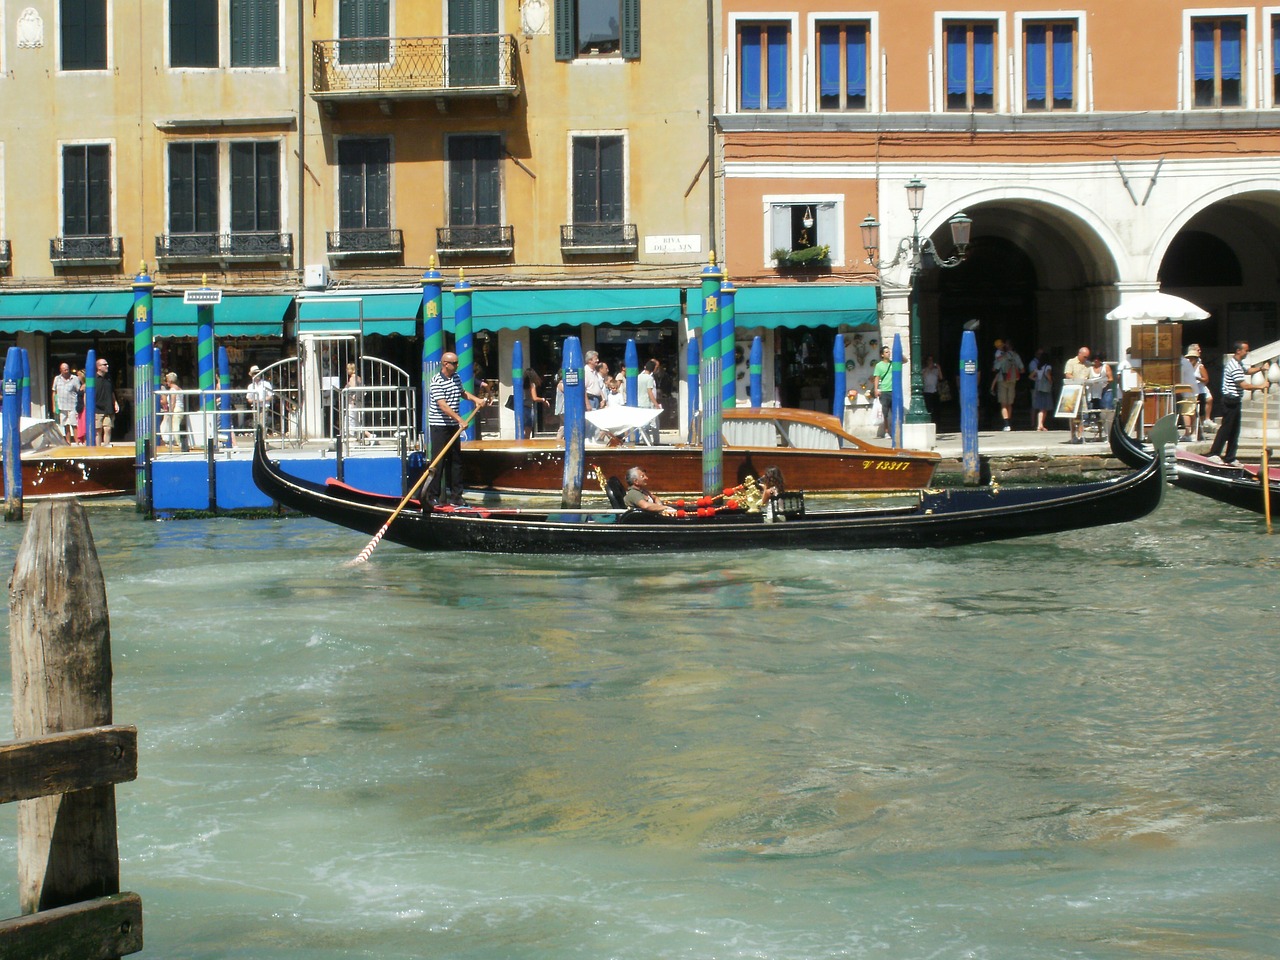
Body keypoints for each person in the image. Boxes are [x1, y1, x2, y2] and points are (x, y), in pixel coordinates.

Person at [426, 351, 489, 506]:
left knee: (456, 461)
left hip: (453, 425)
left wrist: (476, 399)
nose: (457, 365)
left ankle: (456, 496)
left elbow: (462, 392)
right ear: (445, 364)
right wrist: (460, 419)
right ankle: (433, 496)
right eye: (454, 363)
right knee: (438, 461)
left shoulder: (456, 377)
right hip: (439, 425)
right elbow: (443, 406)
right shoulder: (436, 381)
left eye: (457, 362)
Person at [1206, 341, 1270, 466]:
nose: (1247, 352)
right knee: (1226, 429)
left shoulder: (1238, 364)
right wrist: (1260, 386)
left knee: (1235, 430)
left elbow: (1247, 371)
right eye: (1246, 350)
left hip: (1235, 401)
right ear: (1238, 351)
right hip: (1230, 401)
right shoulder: (1234, 365)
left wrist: (1261, 368)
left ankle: (1230, 457)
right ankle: (1214, 454)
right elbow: (1244, 385)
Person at [992, 339, 1024, 431]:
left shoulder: (1002, 356)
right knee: (1010, 403)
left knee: (1003, 404)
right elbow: (1022, 370)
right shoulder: (1016, 355)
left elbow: (995, 368)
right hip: (1013, 380)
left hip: (1002, 380)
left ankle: (1006, 424)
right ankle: (1009, 422)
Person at [1062, 346, 1092, 443]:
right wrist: (1078, 380)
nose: (1086, 359)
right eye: (1085, 357)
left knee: (1082, 414)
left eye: (1087, 357)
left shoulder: (1088, 365)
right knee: (1072, 415)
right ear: (1079, 354)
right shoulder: (1071, 362)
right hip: (1073, 391)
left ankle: (1080, 435)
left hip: (1083, 392)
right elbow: (1068, 374)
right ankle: (1073, 435)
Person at [51, 362, 80, 443]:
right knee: (65, 425)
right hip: (61, 406)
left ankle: (77, 441)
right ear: (61, 370)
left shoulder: (74, 378)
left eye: (67, 369)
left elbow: (79, 391)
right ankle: (68, 442)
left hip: (73, 405)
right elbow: (54, 392)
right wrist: (54, 405)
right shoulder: (57, 378)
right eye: (64, 370)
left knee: (74, 424)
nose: (66, 371)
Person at [345, 362, 373, 445]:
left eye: (347, 369)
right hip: (358, 402)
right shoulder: (358, 378)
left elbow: (353, 390)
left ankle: (353, 440)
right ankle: (369, 435)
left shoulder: (352, 379)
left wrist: (353, 398)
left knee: (350, 421)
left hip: (353, 403)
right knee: (356, 422)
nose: (346, 370)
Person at [93, 356, 119, 443]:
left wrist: (115, 403)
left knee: (108, 428)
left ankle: (106, 446)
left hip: (108, 408)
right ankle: (99, 449)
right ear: (98, 367)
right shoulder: (93, 379)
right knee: (98, 430)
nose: (107, 366)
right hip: (97, 408)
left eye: (107, 364)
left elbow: (111, 392)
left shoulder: (109, 378)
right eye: (104, 364)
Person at [161, 372, 188, 451]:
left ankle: (178, 443)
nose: (166, 382)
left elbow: (173, 402)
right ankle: (177, 442)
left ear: (170, 381)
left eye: (167, 381)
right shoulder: (179, 388)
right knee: (176, 425)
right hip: (181, 408)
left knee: (175, 426)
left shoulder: (173, 389)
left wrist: (170, 411)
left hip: (176, 409)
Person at [1027, 349, 1053, 432]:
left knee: (1041, 407)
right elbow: (1048, 375)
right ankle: (1040, 424)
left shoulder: (1038, 367)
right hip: (1045, 389)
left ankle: (1040, 424)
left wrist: (1037, 380)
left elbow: (1030, 376)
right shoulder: (1048, 367)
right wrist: (1051, 381)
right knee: (1044, 408)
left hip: (1038, 388)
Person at [637, 359, 661, 444]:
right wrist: (656, 404)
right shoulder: (649, 378)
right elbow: (650, 392)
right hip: (647, 404)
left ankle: (646, 441)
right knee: (650, 425)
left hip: (639, 403)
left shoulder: (638, 376)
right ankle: (650, 442)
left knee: (644, 425)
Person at [246, 365, 275, 433]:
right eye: (255, 373)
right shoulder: (250, 386)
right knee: (256, 425)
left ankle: (263, 440)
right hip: (255, 407)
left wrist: (262, 400)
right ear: (252, 375)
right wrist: (255, 401)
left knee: (262, 424)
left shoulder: (266, 384)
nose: (257, 375)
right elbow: (248, 399)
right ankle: (258, 440)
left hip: (264, 407)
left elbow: (271, 396)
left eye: (258, 373)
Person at [872, 345, 892, 439]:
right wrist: (876, 389)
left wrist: (900, 355)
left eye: (889, 351)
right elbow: (877, 377)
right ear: (882, 355)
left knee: (895, 412)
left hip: (893, 391)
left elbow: (905, 361)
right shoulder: (879, 365)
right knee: (885, 413)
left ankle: (897, 430)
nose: (889, 353)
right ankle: (886, 432)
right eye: (886, 352)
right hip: (884, 391)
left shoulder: (893, 364)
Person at [523, 369, 549, 438]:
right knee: (528, 431)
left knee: (522, 430)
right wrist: (543, 400)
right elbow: (534, 398)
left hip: (520, 408)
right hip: (528, 407)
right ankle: (526, 445)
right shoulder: (532, 385)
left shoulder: (520, 384)